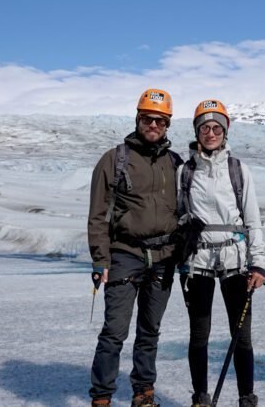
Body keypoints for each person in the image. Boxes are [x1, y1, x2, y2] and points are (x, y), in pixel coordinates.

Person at [88, 88, 182, 407]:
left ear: (167, 124)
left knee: (150, 331)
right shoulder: (114, 160)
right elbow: (97, 214)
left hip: (163, 257)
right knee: (114, 331)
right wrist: (100, 259)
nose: (153, 125)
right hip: (124, 254)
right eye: (147, 119)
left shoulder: (175, 163)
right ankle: (102, 397)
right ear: (137, 119)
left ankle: (144, 393)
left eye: (160, 120)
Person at [177, 100, 265, 407]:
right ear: (197, 132)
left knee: (241, 336)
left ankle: (246, 398)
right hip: (197, 261)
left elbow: (252, 220)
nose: (211, 133)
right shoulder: (185, 172)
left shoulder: (238, 170)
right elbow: (178, 214)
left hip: (235, 261)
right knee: (199, 335)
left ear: (225, 132)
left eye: (217, 127)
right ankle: (200, 398)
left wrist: (258, 264)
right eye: (205, 127)